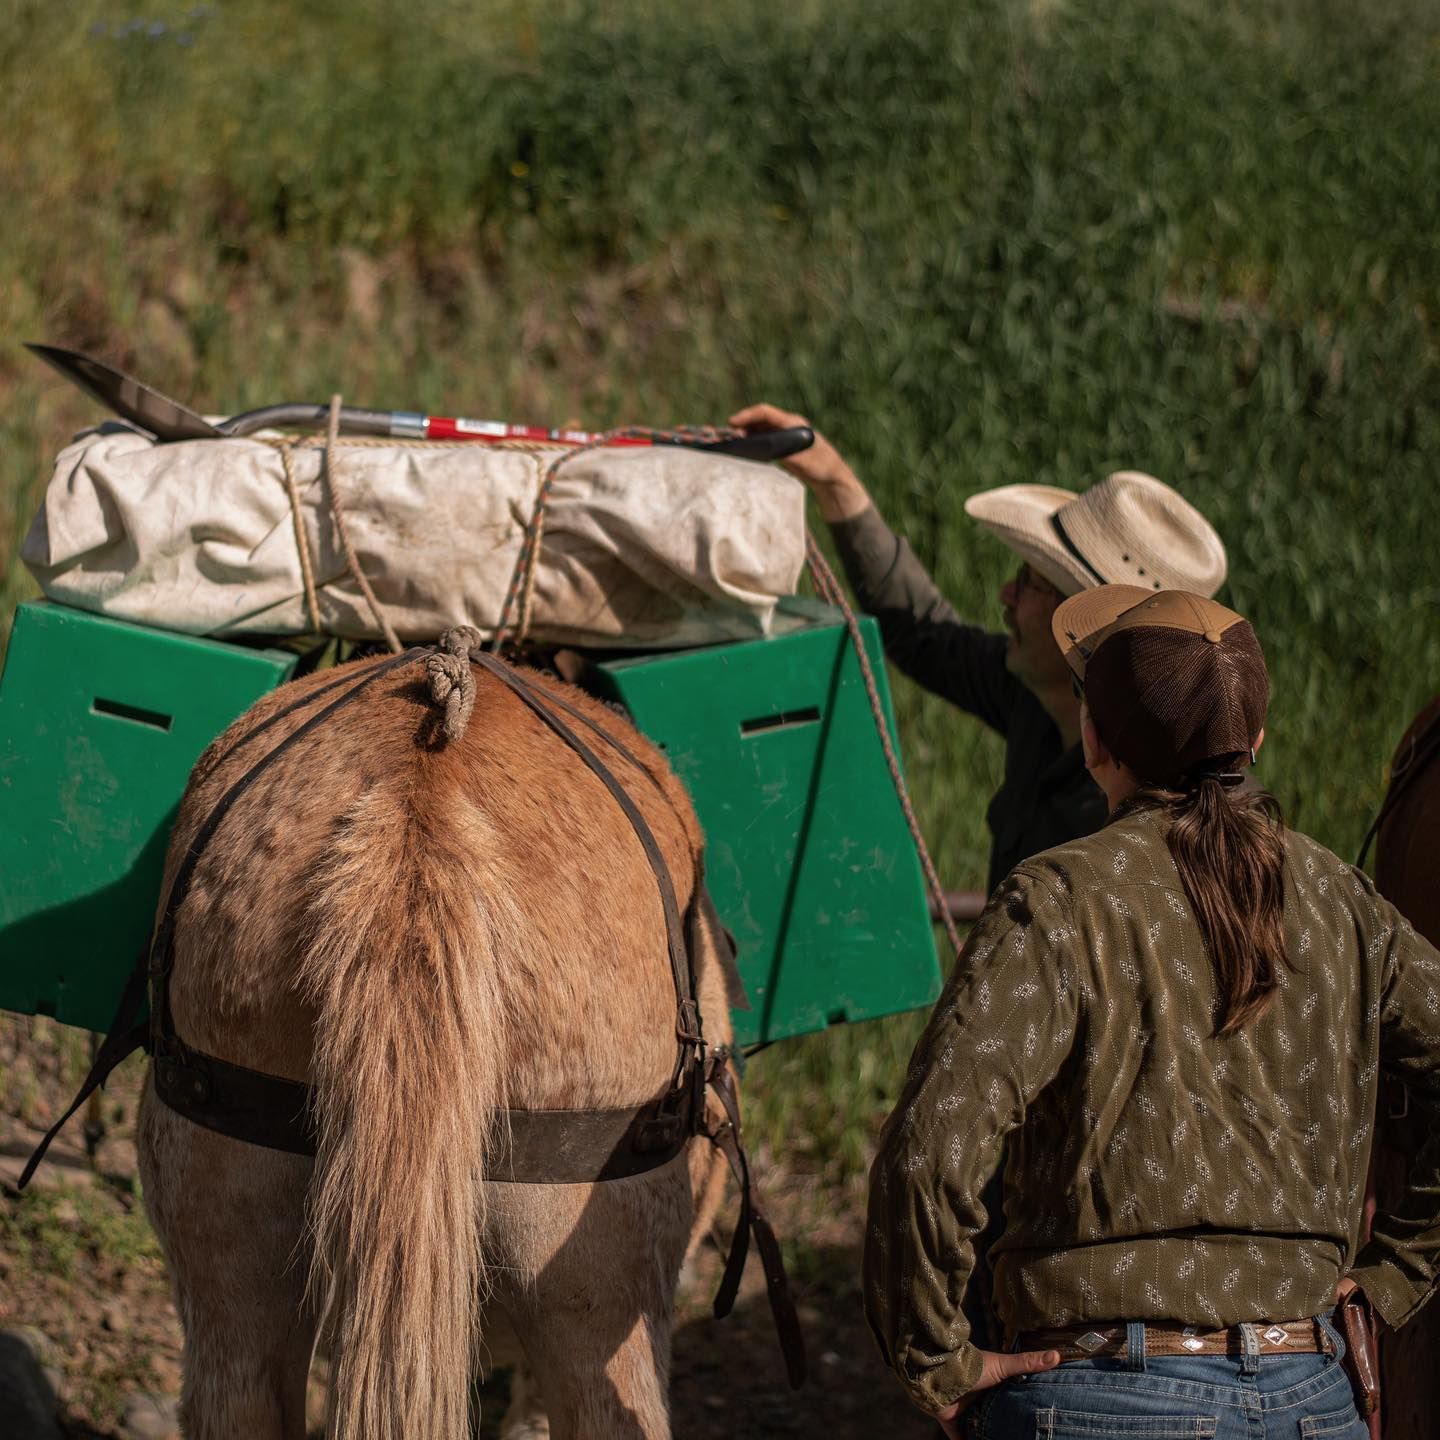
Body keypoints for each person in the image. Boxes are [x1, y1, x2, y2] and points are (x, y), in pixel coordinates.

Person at [863, 584, 1440, 1437]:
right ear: (1255, 741)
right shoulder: (1344, 904)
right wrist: (1400, 1263)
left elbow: (929, 1150)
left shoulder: (1057, 901)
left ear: (1096, 741)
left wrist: (936, 1360)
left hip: (1094, 1397)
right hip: (1312, 1399)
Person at [729, 404, 1228, 894]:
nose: (1005, 596)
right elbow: (924, 633)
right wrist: (833, 477)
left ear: (1085, 627)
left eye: (1029, 582)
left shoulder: (1161, 825)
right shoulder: (1034, 697)